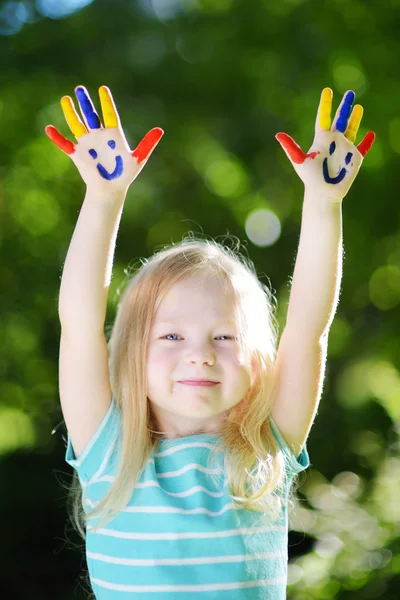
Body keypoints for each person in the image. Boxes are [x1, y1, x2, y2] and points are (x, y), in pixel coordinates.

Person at [46, 85, 375, 599]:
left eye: (224, 336)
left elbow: (308, 329)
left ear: (257, 360)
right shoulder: (108, 454)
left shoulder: (265, 453)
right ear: (133, 351)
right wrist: (103, 198)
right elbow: (79, 323)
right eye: (172, 335)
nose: (199, 353)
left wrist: (324, 201)